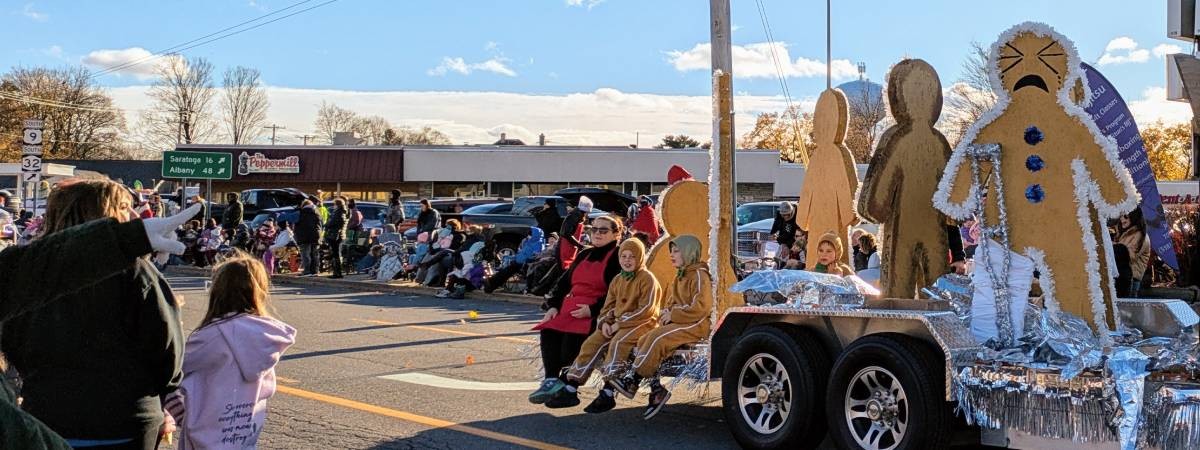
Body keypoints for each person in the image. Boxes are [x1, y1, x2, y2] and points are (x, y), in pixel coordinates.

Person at [2, 180, 188, 449]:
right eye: (124, 207)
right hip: (125, 421)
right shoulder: (135, 272)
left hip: (46, 415)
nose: (134, 216)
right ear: (102, 214)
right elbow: (166, 346)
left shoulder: (26, 274)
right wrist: (168, 387)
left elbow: (12, 347)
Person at [166, 254, 296, 450]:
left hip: (206, 435)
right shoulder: (265, 335)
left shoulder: (211, 336)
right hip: (244, 434)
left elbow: (169, 370)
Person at [528, 215, 623, 408]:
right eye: (593, 229)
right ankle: (551, 380)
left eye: (603, 230)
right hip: (569, 308)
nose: (597, 233)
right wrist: (553, 305)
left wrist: (592, 309)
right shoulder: (584, 254)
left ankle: (567, 384)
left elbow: (619, 291)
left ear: (616, 234)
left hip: (596, 310)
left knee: (569, 345)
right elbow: (563, 283)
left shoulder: (618, 256)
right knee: (549, 330)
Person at [613, 235, 710, 419]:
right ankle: (656, 388)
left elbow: (701, 307)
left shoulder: (699, 275)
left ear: (689, 253)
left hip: (696, 324)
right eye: (671, 251)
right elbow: (671, 302)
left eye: (676, 251)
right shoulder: (680, 275)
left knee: (658, 339)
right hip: (681, 322)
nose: (672, 255)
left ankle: (633, 379)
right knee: (645, 339)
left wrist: (673, 314)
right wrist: (666, 314)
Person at [561, 238, 661, 413]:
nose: (627, 260)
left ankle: (608, 390)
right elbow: (608, 306)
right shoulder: (617, 279)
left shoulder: (647, 279)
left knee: (618, 344)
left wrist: (619, 325)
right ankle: (571, 385)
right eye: (623, 256)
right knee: (592, 343)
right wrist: (606, 322)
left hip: (642, 322)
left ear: (640, 258)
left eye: (632, 257)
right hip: (618, 323)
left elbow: (647, 309)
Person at [483, 228, 545, 294]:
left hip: (528, 264)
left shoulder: (538, 244)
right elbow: (521, 253)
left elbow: (535, 256)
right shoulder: (528, 242)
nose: (528, 237)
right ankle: (491, 283)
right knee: (508, 268)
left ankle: (492, 283)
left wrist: (521, 259)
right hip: (521, 262)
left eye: (530, 235)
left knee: (510, 269)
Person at [1116, 209, 1151, 295]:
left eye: (1126, 216)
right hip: (1124, 278)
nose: (1122, 219)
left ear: (1134, 217)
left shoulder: (1139, 235)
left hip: (1131, 280)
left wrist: (1116, 247)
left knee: (1127, 307)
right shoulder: (1126, 234)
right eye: (1121, 216)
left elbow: (1130, 256)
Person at [295, 200, 322, 276]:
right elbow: (320, 224)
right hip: (316, 235)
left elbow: (296, 222)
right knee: (315, 254)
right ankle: (315, 271)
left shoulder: (301, 213)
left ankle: (307, 271)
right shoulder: (317, 212)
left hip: (304, 235)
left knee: (305, 254)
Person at [325, 198, 349, 279]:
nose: (333, 206)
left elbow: (334, 222)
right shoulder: (343, 211)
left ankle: (337, 272)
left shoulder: (339, 212)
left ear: (337, 204)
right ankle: (337, 272)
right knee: (336, 254)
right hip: (339, 235)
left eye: (334, 204)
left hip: (336, 235)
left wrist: (328, 224)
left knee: (336, 254)